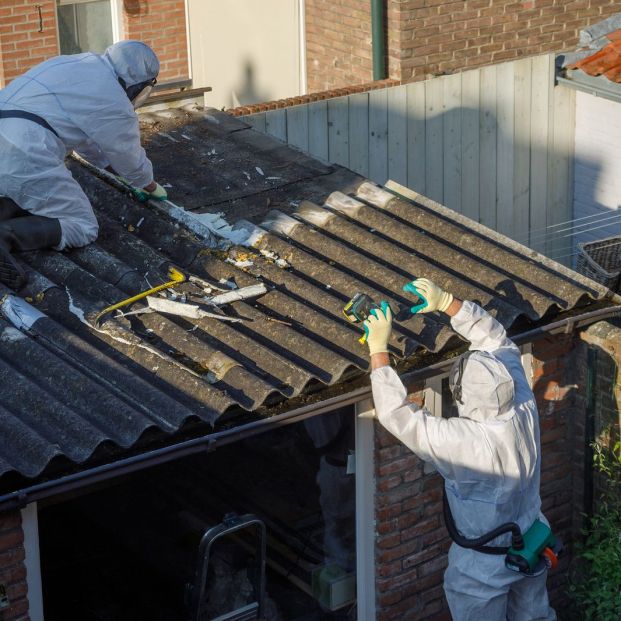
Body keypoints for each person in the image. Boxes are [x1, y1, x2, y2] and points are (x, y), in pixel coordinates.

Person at [363, 278, 556, 620]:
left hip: (484, 563)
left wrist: (379, 350)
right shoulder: (523, 404)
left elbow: (396, 414)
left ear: (462, 396)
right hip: (531, 539)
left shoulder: (464, 442)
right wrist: (448, 302)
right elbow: (498, 340)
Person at [0, 40, 167, 290]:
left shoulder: (74, 63)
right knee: (82, 226)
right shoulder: (113, 99)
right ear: (139, 84)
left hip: (8, 138)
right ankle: (5, 237)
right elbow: (127, 154)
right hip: (25, 150)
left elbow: (89, 142)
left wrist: (114, 171)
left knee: (21, 193)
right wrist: (149, 185)